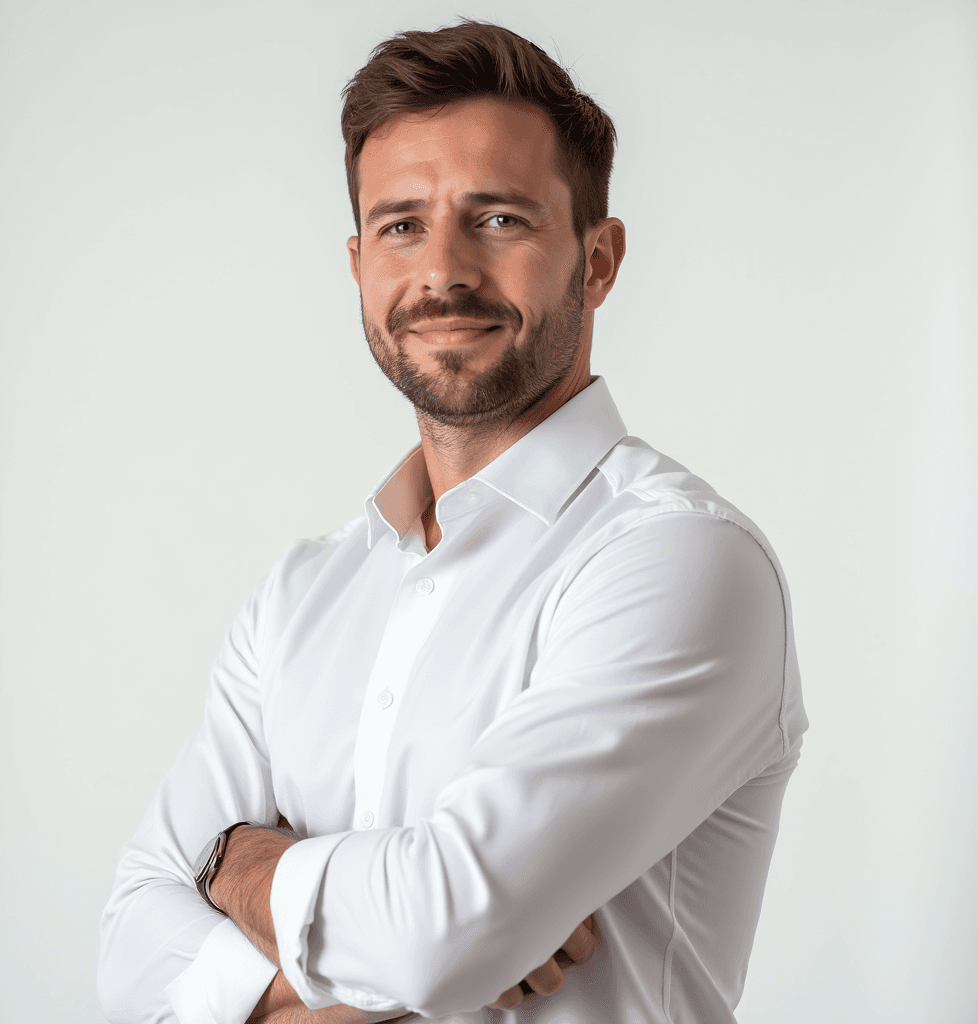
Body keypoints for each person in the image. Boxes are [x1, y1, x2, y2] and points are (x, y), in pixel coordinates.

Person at [98, 19, 807, 1024]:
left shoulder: (678, 560)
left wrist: (235, 864)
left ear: (596, 261)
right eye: (399, 225)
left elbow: (439, 936)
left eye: (500, 219)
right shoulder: (303, 594)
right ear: (355, 263)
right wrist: (381, 942)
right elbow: (130, 958)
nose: (442, 271)